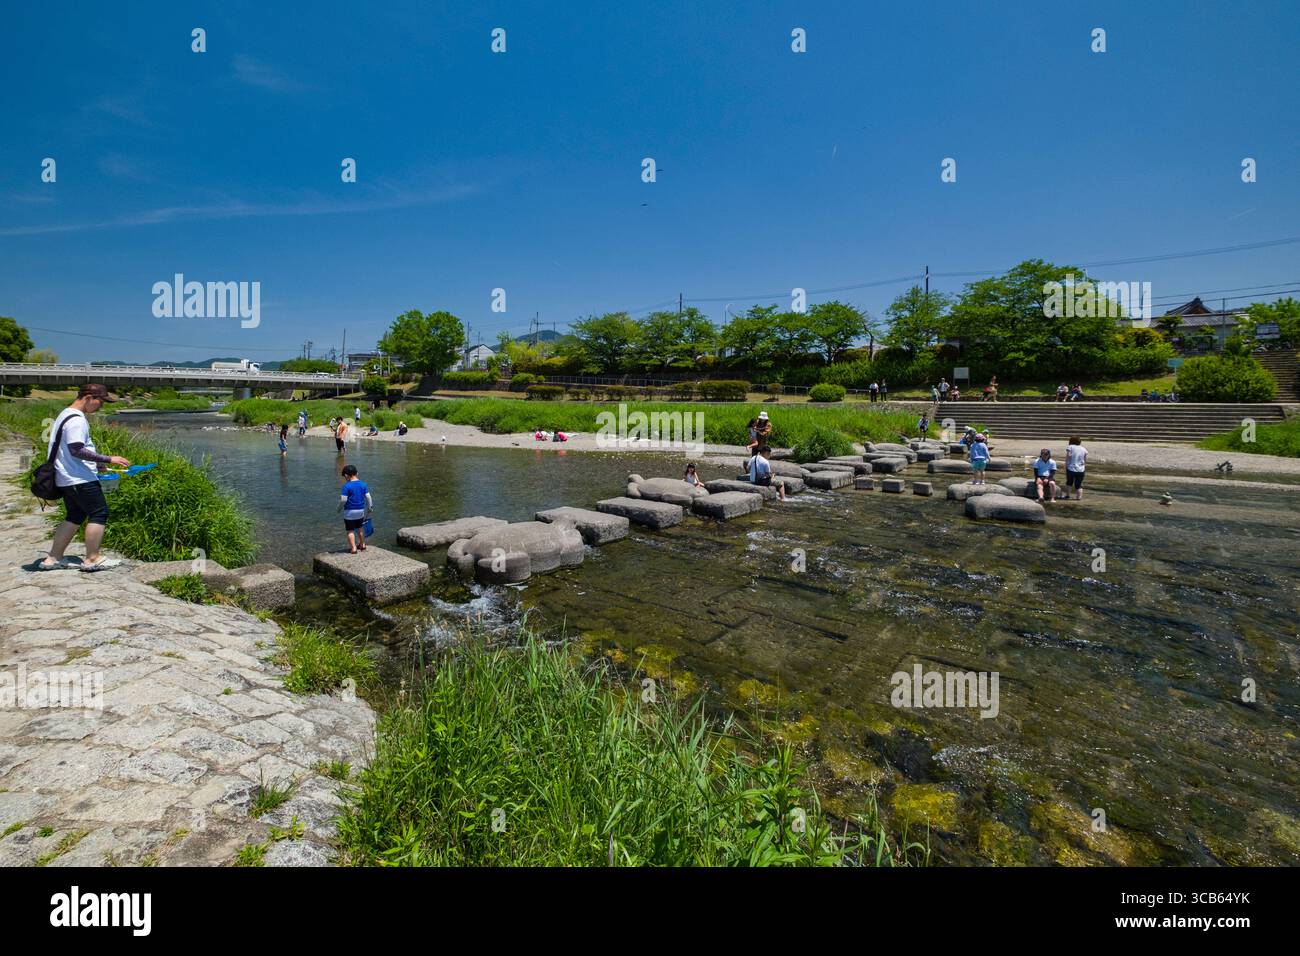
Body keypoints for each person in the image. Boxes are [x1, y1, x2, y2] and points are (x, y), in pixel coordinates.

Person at [36, 384, 131, 573]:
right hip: (79, 478)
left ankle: (53, 558)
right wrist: (109, 459)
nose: (101, 406)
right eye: (100, 401)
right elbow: (76, 449)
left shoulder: (65, 414)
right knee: (99, 513)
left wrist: (96, 463)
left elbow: (68, 450)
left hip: (66, 477)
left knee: (75, 515)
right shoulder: (77, 420)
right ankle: (93, 558)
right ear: (88, 398)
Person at [337, 464, 373, 554]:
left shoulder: (346, 486)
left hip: (349, 512)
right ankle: (362, 544)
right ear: (357, 473)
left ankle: (353, 548)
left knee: (350, 530)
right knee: (360, 528)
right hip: (360, 511)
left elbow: (343, 500)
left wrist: (339, 508)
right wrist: (370, 507)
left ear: (346, 475)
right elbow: (368, 497)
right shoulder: (363, 484)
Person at [1061, 435, 1088, 501]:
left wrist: (1065, 465)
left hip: (1071, 468)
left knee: (1069, 482)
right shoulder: (1084, 449)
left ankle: (1067, 496)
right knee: (1078, 485)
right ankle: (1078, 497)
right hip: (1081, 469)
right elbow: (1085, 460)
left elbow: (1068, 456)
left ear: (1071, 441)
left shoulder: (1070, 447)